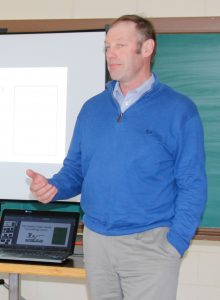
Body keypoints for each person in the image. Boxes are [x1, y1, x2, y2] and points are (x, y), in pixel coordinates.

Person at [26, 15, 207, 300]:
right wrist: (53, 186)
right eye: (107, 47)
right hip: (97, 243)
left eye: (120, 45)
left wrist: (175, 243)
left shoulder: (179, 110)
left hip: (151, 246)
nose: (111, 54)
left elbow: (192, 183)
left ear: (146, 49)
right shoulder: (92, 108)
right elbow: (75, 170)